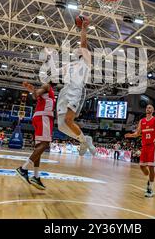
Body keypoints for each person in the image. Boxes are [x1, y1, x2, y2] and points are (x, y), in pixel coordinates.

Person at [55, 16, 95, 156]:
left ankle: (84, 140)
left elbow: (83, 44)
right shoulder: (69, 65)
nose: (78, 49)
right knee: (61, 125)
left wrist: (83, 28)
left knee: (68, 120)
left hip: (76, 90)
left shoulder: (86, 62)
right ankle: (84, 139)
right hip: (65, 91)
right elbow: (54, 73)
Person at [16, 80, 55, 190]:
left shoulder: (46, 90)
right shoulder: (47, 86)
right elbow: (36, 95)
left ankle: (36, 176)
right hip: (44, 117)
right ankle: (23, 169)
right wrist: (34, 91)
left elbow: (36, 94)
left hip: (39, 117)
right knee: (45, 144)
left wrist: (31, 89)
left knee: (39, 147)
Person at [125, 104, 155, 198]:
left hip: (153, 146)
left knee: (151, 167)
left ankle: (150, 188)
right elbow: (137, 133)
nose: (148, 109)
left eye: (150, 107)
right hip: (144, 146)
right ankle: (149, 179)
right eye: (147, 108)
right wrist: (130, 135)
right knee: (142, 166)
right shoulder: (142, 121)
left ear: (153, 110)